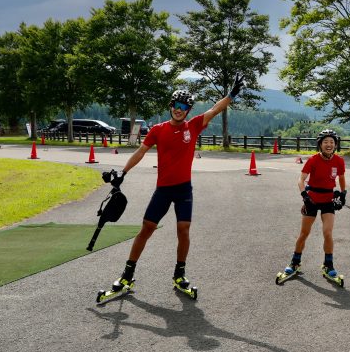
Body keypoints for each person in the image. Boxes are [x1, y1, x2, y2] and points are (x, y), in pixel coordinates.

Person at [96, 76, 242, 304]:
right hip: (163, 189)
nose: (179, 110)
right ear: (171, 106)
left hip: (184, 189)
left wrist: (231, 96)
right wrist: (123, 172)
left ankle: (179, 274)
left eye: (184, 106)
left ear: (188, 110)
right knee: (147, 228)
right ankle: (127, 275)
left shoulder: (193, 126)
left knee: (183, 230)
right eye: (176, 105)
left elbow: (214, 110)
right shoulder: (157, 130)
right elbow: (141, 152)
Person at [275, 129, 347, 288]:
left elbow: (341, 178)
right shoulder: (313, 160)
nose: (329, 144)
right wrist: (305, 196)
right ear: (320, 144)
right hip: (312, 200)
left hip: (328, 199)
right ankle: (295, 263)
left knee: (328, 232)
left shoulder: (339, 161)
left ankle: (328, 265)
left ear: (335, 145)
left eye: (332, 142)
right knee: (304, 233)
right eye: (326, 142)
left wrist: (342, 194)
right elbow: (301, 179)